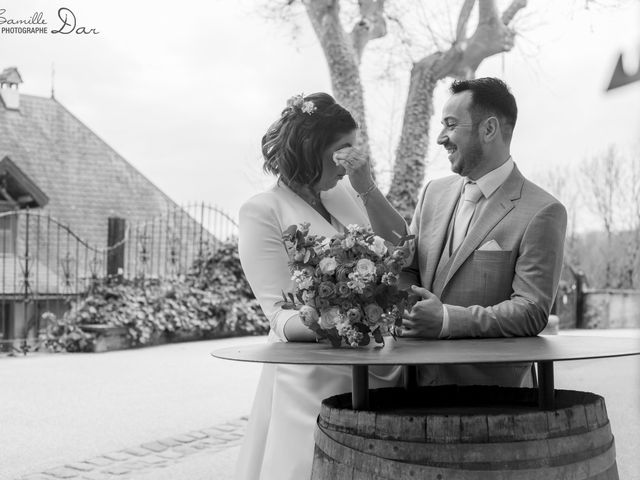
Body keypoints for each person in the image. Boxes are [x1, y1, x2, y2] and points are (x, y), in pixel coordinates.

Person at [235, 92, 404, 480]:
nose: (350, 162)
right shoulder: (262, 211)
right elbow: (279, 314)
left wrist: (366, 186)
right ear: (313, 149)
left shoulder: (343, 193)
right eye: (344, 150)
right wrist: (345, 320)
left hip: (375, 363)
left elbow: (400, 246)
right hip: (311, 376)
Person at [400, 77, 567, 387]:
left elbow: (530, 310)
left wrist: (448, 320)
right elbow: (407, 271)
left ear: (489, 129)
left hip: (493, 401)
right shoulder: (432, 193)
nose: (440, 138)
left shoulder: (543, 211)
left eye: (450, 125)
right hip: (411, 387)